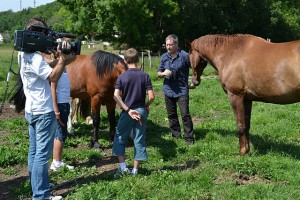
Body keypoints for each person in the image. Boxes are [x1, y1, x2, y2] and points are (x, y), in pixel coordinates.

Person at [19, 18, 75, 200]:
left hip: (32, 110)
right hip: (44, 111)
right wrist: (64, 61)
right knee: (42, 156)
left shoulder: (23, 54)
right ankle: (41, 195)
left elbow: (44, 69)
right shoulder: (34, 57)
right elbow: (52, 77)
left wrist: (59, 60)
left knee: (34, 152)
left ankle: (37, 185)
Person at [112, 48, 155, 177]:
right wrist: (146, 106)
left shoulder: (122, 77)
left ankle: (123, 167)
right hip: (141, 111)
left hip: (128, 112)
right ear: (137, 60)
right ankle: (135, 170)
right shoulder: (145, 76)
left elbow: (116, 96)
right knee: (139, 139)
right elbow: (152, 96)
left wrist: (128, 109)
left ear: (125, 61)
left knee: (119, 137)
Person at [157, 34, 194, 144]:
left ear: (177, 44)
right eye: (167, 45)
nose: (168, 47)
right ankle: (176, 135)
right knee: (171, 115)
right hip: (168, 89)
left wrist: (193, 81)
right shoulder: (164, 57)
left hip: (182, 90)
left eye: (171, 45)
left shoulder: (185, 56)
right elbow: (158, 73)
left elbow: (195, 68)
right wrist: (163, 73)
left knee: (185, 115)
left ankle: (189, 138)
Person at [50, 57, 74, 171]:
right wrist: (56, 109)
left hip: (65, 103)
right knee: (60, 133)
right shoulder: (57, 69)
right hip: (60, 105)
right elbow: (52, 88)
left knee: (61, 133)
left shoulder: (64, 68)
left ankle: (57, 161)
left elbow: (73, 58)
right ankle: (56, 162)